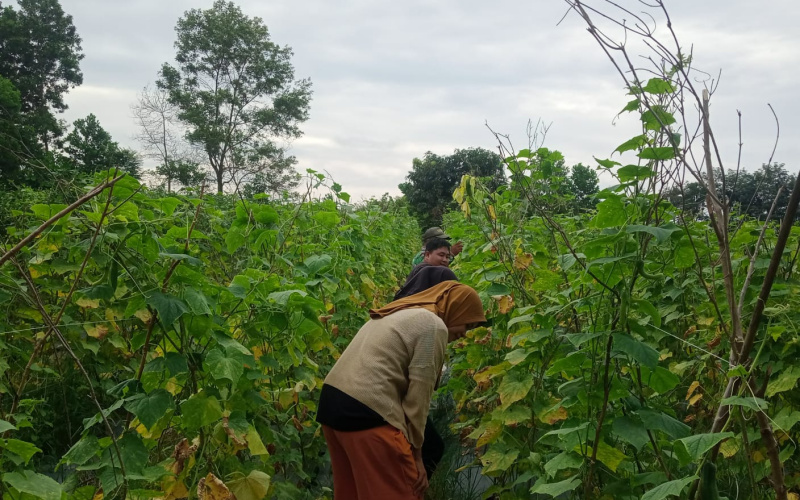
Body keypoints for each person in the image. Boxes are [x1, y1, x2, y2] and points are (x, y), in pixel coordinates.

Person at [316, 282, 486, 500]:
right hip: (368, 414)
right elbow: (419, 398)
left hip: (332, 404)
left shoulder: (401, 311)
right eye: (467, 325)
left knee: (352, 493)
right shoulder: (434, 326)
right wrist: (416, 457)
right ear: (457, 309)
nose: (464, 334)